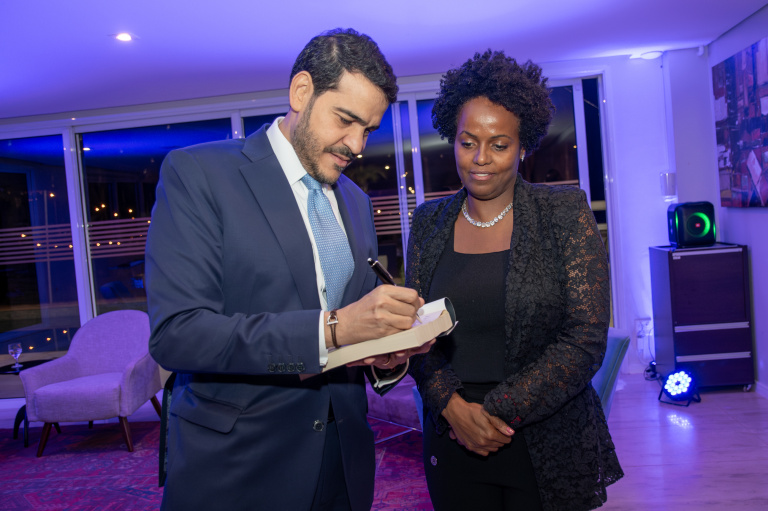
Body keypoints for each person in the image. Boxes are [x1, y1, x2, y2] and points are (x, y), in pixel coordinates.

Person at [145, 28, 428, 511]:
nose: (356, 145)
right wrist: (334, 329)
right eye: (346, 120)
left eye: (368, 130)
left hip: (344, 464)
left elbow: (354, 331)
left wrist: (386, 354)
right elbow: (178, 334)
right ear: (301, 92)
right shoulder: (199, 174)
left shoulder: (356, 203)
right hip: (241, 468)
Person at [406, 50, 624, 511]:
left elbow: (585, 338)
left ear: (523, 147)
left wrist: (493, 413)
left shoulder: (563, 213)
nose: (480, 158)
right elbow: (415, 331)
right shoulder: (427, 223)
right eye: (468, 142)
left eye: (499, 144)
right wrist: (452, 408)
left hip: (545, 435)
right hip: (452, 436)